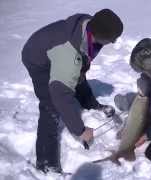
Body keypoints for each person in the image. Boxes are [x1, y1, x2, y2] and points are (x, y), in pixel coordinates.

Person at [21, 9, 123, 173]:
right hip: (37, 59)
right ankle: (46, 165)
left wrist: (79, 69)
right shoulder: (68, 53)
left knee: (77, 74)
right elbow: (60, 93)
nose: (112, 42)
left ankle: (91, 104)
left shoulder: (90, 28)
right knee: (51, 106)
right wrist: (80, 131)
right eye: (111, 40)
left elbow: (78, 66)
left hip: (60, 52)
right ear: (101, 36)